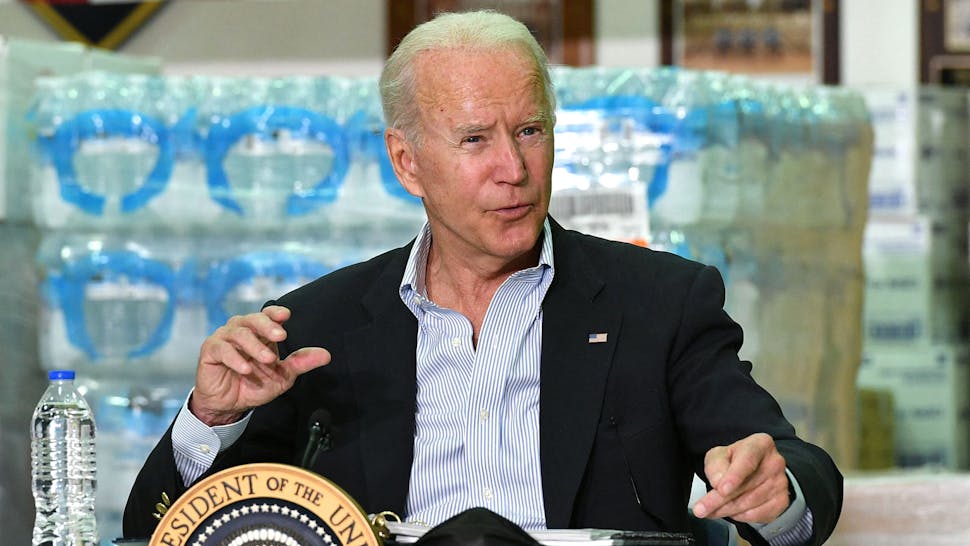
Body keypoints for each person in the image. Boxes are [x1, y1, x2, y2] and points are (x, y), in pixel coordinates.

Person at [123, 10, 842, 545]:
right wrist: (212, 421)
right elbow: (158, 528)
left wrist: (776, 495)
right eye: (475, 140)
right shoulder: (313, 328)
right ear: (406, 163)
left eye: (530, 131)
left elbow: (800, 471)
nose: (515, 168)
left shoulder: (658, 303)